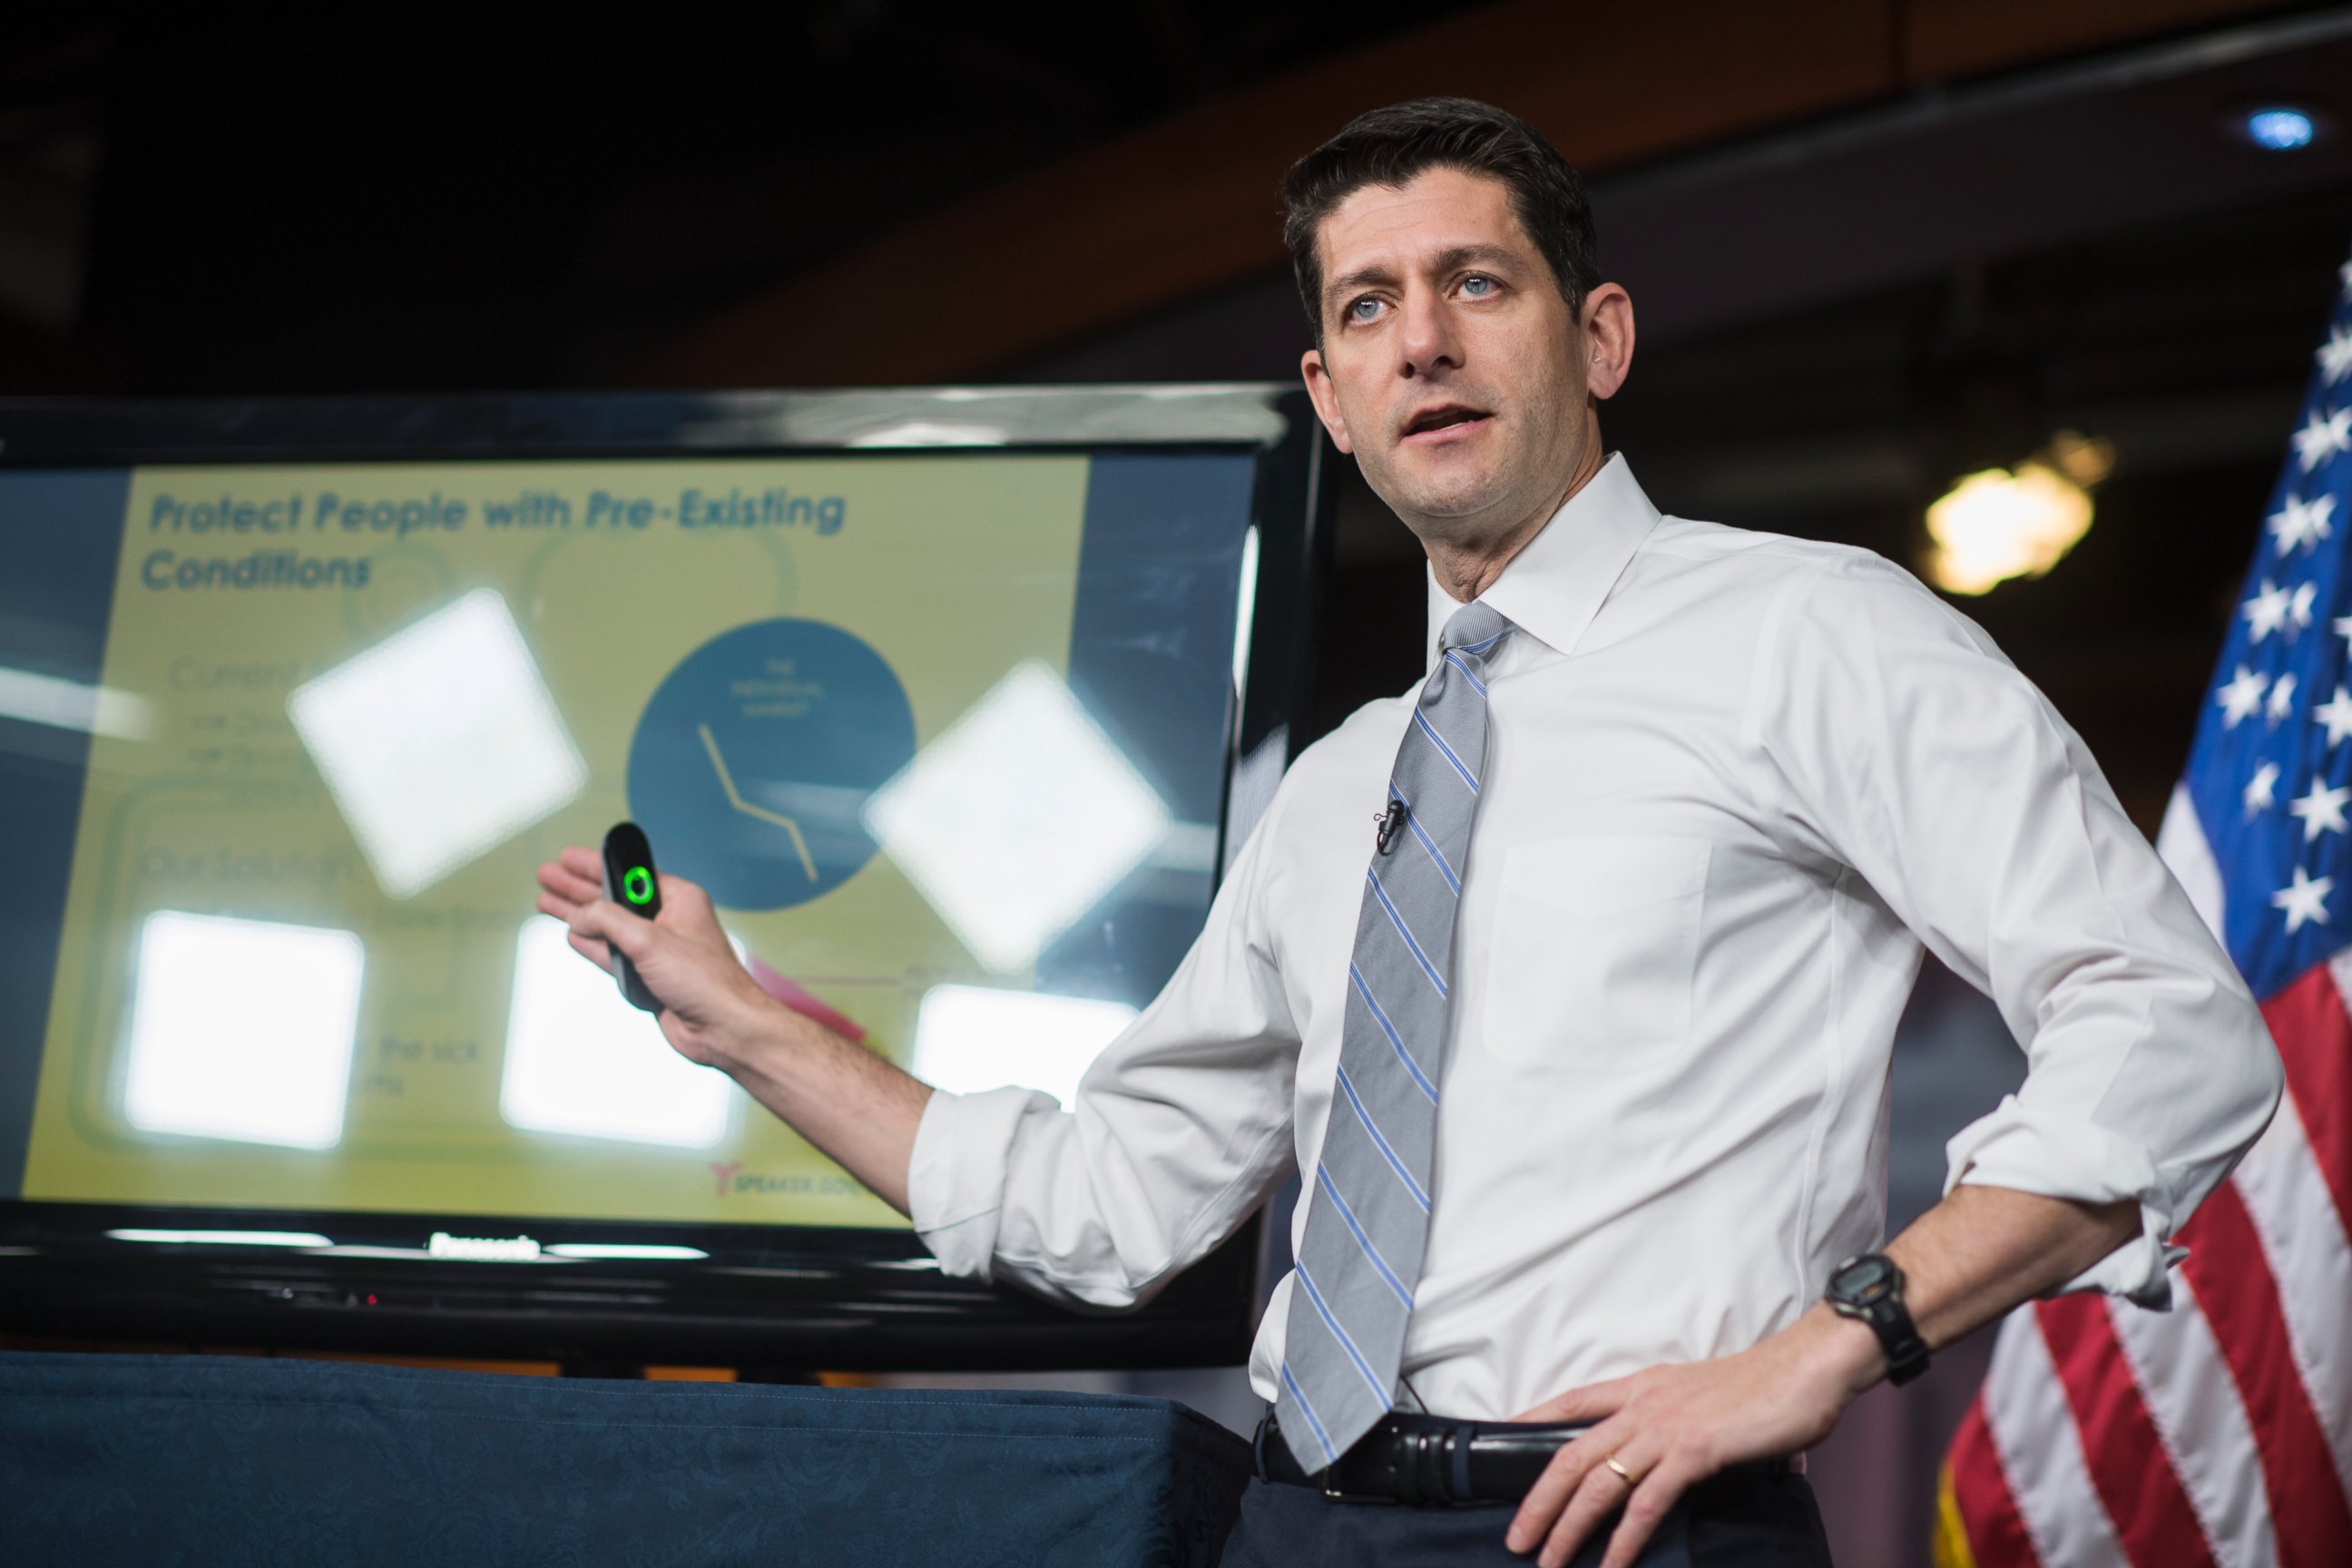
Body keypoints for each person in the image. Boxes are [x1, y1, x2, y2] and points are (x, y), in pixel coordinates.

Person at [538, 98, 2282, 1568]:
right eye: (1367, 308)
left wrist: (1838, 1348)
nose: (1422, 341)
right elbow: (1111, 1204)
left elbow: (2172, 1026)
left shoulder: (1813, 633)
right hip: (1298, 1524)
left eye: (1473, 284)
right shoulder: (1337, 787)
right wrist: (741, 1020)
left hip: (1630, 1523)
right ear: (1329, 390)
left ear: (1595, 335)